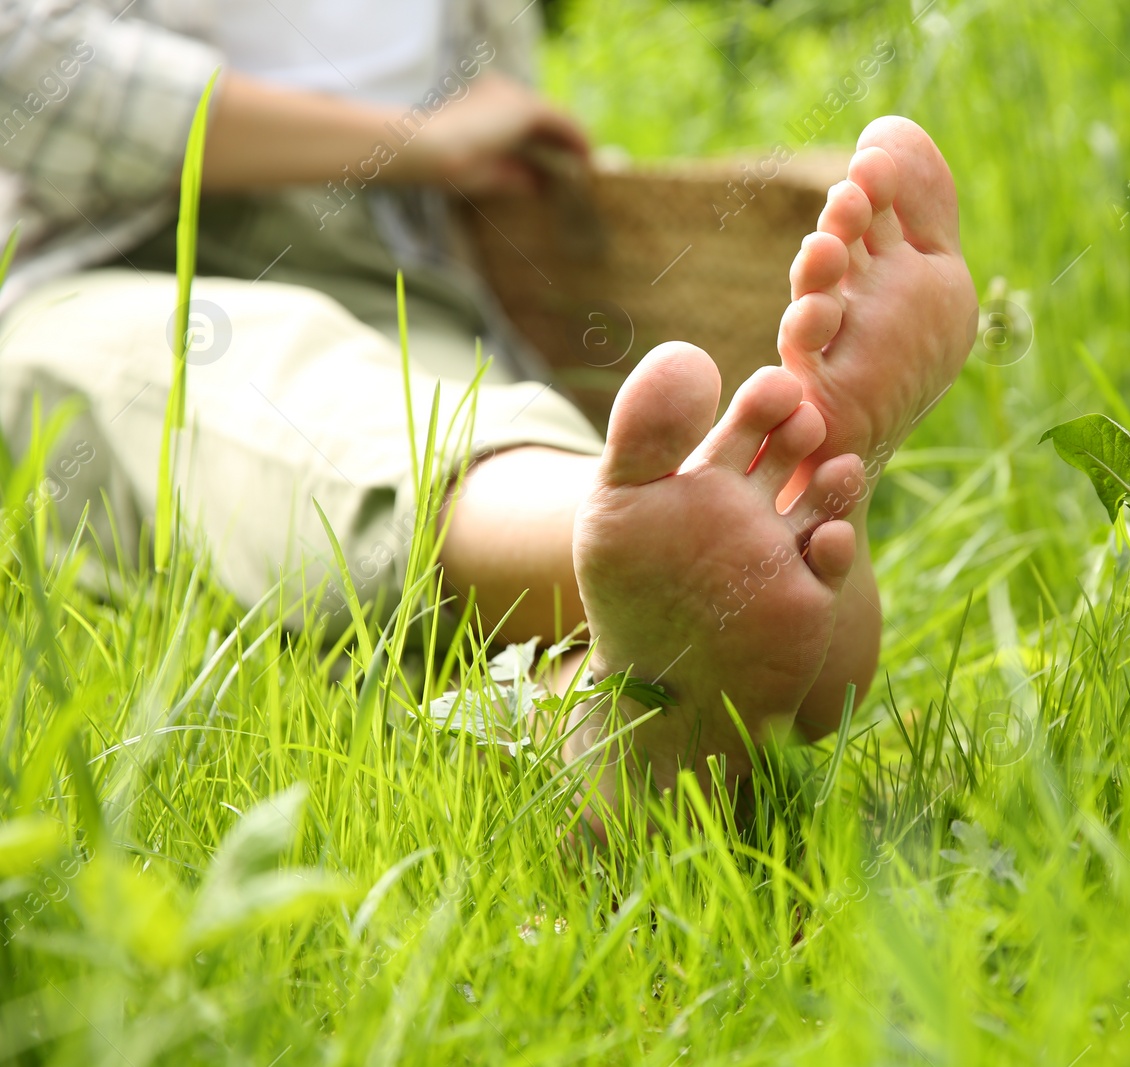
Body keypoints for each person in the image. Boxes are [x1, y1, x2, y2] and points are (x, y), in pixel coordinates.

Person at [0, 0, 978, 810]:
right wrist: (412, 138)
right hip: (110, 255)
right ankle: (724, 529)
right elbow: (25, 70)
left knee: (432, 429)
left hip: (410, 254)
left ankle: (615, 725)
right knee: (273, 388)